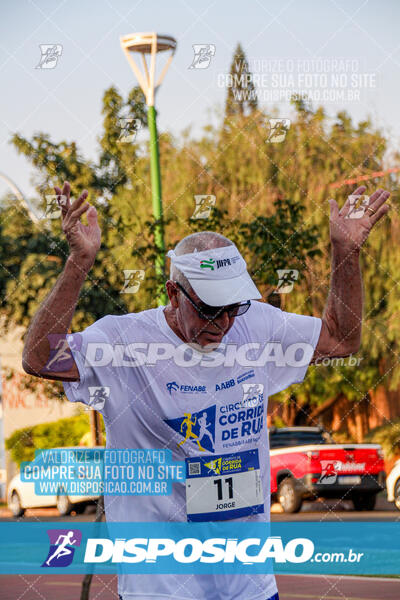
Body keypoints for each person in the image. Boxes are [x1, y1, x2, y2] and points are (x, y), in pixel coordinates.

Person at [22, 181, 390, 600]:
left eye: (232, 308)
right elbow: (39, 360)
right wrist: (78, 263)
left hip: (248, 585)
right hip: (159, 587)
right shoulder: (124, 342)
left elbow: (341, 340)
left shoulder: (257, 326)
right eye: (209, 309)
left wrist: (346, 253)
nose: (224, 322)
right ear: (172, 294)